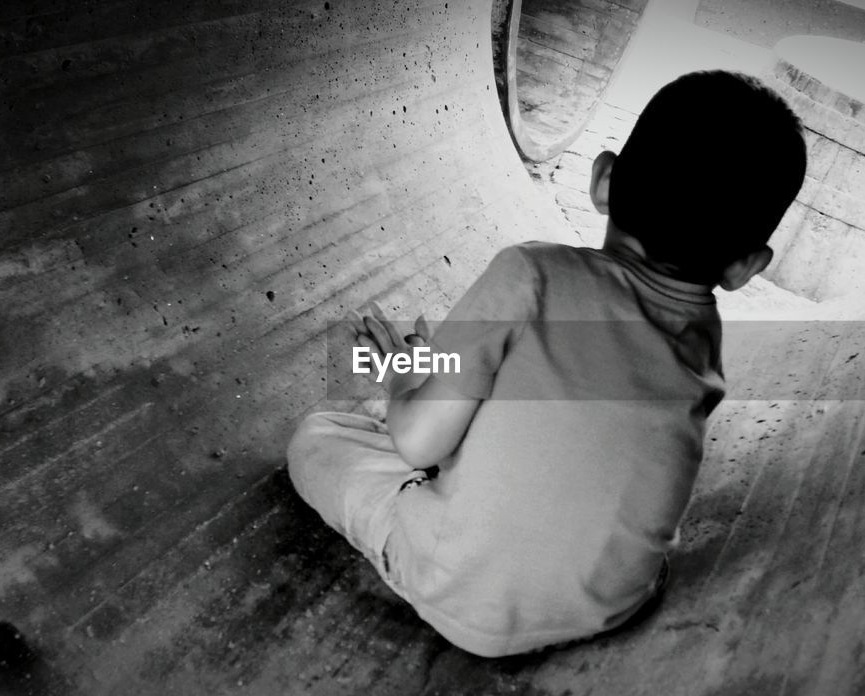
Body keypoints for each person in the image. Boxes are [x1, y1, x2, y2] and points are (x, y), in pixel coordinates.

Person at [287, 70, 807, 657]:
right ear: (746, 268)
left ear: (604, 180)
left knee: (321, 435)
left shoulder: (530, 274)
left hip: (460, 593)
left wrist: (404, 375)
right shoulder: (701, 335)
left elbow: (417, 444)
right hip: (610, 605)